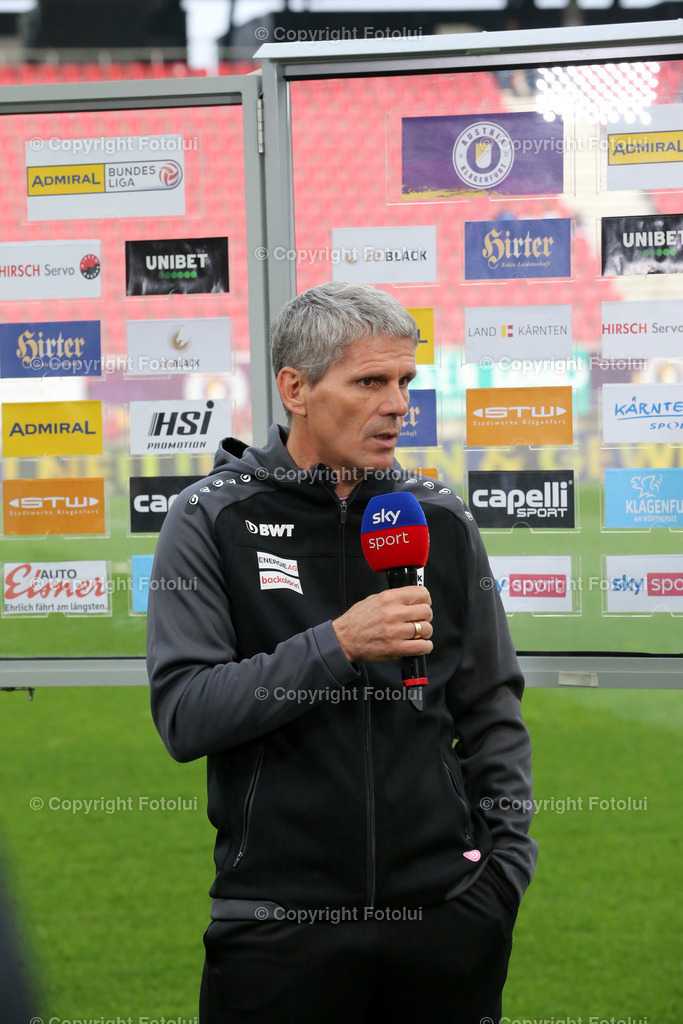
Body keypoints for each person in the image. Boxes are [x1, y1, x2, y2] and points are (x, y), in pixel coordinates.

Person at [147, 281, 537, 1024]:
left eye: (404, 382)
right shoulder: (209, 520)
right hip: (276, 924)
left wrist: (502, 875)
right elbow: (185, 715)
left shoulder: (441, 520)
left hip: (446, 917)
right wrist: (337, 645)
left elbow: (489, 705)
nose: (396, 405)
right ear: (294, 387)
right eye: (369, 382)